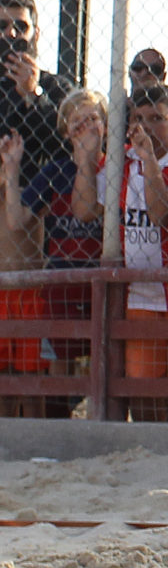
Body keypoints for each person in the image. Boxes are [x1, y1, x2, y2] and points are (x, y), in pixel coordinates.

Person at [76, 84, 168, 422]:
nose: (146, 127)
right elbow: (85, 210)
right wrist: (86, 160)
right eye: (138, 118)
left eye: (157, 119)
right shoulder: (120, 161)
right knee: (142, 383)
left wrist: (149, 160)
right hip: (138, 291)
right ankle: (147, 443)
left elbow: (162, 215)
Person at [20, 89, 108, 408]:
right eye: (76, 121)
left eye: (93, 118)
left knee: (104, 359)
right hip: (63, 275)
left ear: (106, 125)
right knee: (60, 358)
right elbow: (19, 219)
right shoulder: (56, 171)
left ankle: (103, 421)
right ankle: (59, 418)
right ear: (66, 131)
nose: (85, 126)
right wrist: (11, 171)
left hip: (102, 277)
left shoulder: (116, 169)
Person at [0, 0, 75, 173]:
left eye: (20, 26)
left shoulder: (56, 87)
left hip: (40, 185)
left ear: (36, 34)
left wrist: (33, 94)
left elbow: (67, 143)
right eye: (2, 26)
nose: (11, 33)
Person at [0, 132, 44, 414]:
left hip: (29, 294)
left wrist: (11, 171)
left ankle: (35, 434)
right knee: (2, 384)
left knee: (31, 382)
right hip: (1, 294)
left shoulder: (31, 192)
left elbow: (16, 220)